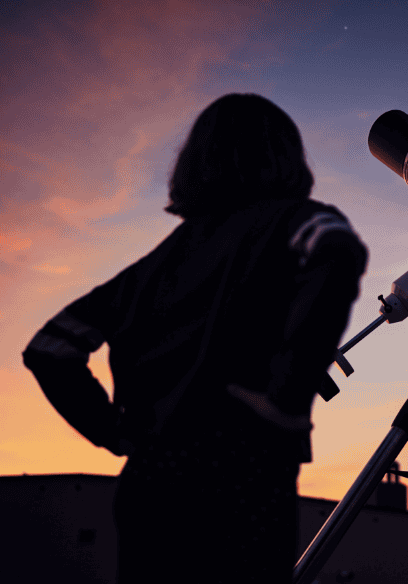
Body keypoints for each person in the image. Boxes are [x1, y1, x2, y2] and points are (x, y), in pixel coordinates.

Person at [22, 93, 368, 583]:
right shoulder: (299, 220)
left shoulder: (150, 268)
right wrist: (285, 399)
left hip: (150, 484)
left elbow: (50, 350)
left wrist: (112, 430)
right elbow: (336, 253)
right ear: (286, 155)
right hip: (244, 479)